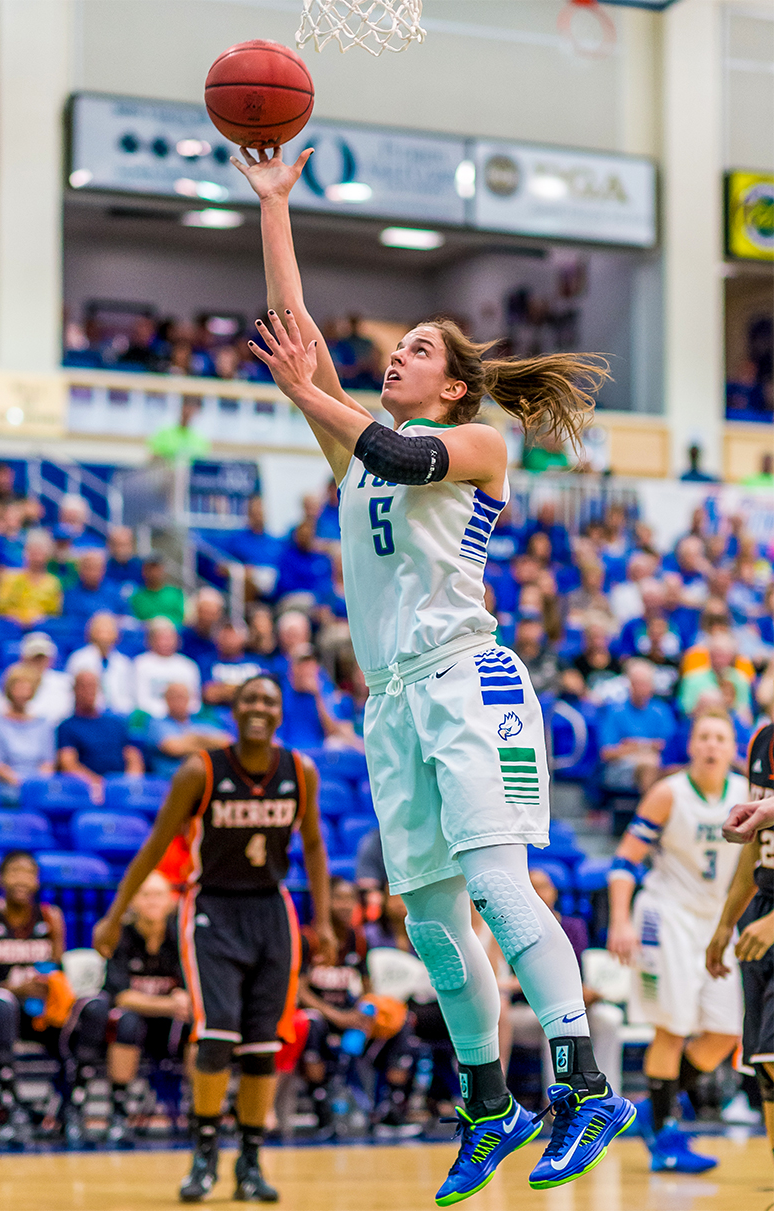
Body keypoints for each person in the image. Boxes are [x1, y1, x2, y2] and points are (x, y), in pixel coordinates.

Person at [232, 144, 635, 1200]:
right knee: (428, 916)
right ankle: (485, 1100)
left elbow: (394, 452)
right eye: (393, 347)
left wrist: (312, 393)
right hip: (392, 700)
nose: (394, 356)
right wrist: (275, 206)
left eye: (415, 347)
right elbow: (301, 340)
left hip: (470, 681)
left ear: (451, 383)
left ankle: (584, 1083)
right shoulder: (355, 447)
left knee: (498, 883)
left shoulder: (475, 443)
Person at [93, 674, 334, 1203]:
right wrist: (114, 916)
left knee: (264, 1045)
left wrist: (326, 920)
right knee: (217, 1036)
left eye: (269, 701)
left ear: (278, 713)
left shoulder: (300, 771)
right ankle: (204, 1156)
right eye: (249, 698)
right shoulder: (200, 771)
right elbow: (155, 847)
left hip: (272, 909)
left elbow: (314, 845)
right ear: (234, 709)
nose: (258, 708)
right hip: (211, 910)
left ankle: (249, 1161)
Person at [607, 710, 746, 1172]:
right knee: (672, 1027)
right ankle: (666, 1138)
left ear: (733, 749)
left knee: (726, 1032)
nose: (711, 746)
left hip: (718, 923)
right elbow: (624, 863)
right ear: (691, 747)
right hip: (665, 917)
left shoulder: (748, 796)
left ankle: (652, 1108)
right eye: (703, 737)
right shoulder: (668, 793)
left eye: (719, 738)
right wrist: (620, 921)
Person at [76, 871, 191, 1146]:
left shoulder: (182, 938)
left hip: (170, 1027)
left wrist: (183, 1000)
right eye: (145, 894)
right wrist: (168, 1003)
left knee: (199, 1027)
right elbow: (122, 996)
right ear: (132, 902)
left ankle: (201, 1116)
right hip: (130, 1027)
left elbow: (191, 991)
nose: (152, 901)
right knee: (127, 1020)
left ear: (172, 901)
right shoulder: (121, 936)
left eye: (159, 895)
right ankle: (118, 1112)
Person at [300, 877, 417, 1137]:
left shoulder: (357, 939)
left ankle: (390, 1108)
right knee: (312, 1025)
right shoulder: (309, 939)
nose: (345, 905)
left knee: (401, 1022)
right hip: (319, 1014)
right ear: (323, 901)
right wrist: (336, 1016)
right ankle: (323, 1113)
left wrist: (367, 1010)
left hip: (349, 1015)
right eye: (338, 898)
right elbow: (298, 990)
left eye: (349, 899)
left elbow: (367, 988)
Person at [707, 722, 774, 1158]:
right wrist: (725, 922)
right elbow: (756, 843)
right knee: (765, 1071)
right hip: (761, 906)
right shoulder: (763, 740)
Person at [0, 851, 66, 1139]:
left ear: (37, 881)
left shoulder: (51, 918)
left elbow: (59, 969)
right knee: (2, 1004)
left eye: (28, 873)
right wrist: (14, 989)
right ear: (0, 879)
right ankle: (8, 1101)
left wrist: (51, 985)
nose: (21, 879)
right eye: (14, 872)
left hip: (39, 1011)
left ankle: (67, 1104)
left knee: (78, 1013)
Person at [507, 868, 623, 1095]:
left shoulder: (573, 926)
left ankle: (607, 1097)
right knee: (558, 1022)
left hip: (571, 1002)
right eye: (531, 887)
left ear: (554, 893)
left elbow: (576, 972)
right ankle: (560, 1104)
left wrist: (588, 993)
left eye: (543, 886)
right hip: (524, 1010)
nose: (538, 892)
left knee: (609, 1020)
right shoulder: (509, 930)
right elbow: (507, 979)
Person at [57, 671, 144, 801]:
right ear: (74, 690)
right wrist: (98, 784)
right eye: (83, 686)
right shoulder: (67, 726)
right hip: (88, 791)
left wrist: (129, 783)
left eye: (93, 686)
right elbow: (68, 763)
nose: (88, 691)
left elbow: (132, 755)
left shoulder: (116, 723)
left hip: (121, 787)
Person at [599, 659, 676, 794]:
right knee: (648, 767)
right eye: (636, 684)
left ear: (652, 686)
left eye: (644, 684)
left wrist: (634, 745)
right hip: (621, 768)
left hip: (658, 764)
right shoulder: (615, 712)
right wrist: (646, 747)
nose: (640, 689)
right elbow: (607, 753)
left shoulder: (661, 711)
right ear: (629, 685)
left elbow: (668, 747)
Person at [0, 665, 55, 800]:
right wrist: (22, 784)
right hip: (7, 786)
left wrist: (36, 785)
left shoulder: (44, 724)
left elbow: (47, 763)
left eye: (26, 687)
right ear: (9, 689)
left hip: (38, 786)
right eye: (18, 687)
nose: (22, 692)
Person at [147, 683, 233, 780]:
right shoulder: (156, 724)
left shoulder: (203, 722)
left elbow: (228, 743)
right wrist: (209, 744)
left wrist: (193, 740)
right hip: (170, 782)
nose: (178, 700)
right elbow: (174, 748)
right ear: (166, 699)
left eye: (182, 696)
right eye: (173, 696)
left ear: (189, 698)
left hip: (208, 779)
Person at [65, 612, 136, 716]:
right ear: (91, 632)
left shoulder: (123, 662)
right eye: (100, 630)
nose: (104, 635)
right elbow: (70, 690)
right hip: (89, 713)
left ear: (117, 634)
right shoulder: (78, 658)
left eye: (109, 630)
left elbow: (129, 694)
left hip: (120, 714)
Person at [133, 618, 201, 721]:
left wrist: (179, 713)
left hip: (184, 719)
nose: (165, 642)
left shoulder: (188, 666)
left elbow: (195, 703)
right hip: (152, 719)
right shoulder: (140, 664)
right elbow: (141, 701)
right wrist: (168, 713)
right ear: (151, 640)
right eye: (161, 638)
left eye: (169, 638)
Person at [0, 528, 62, 628]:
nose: (37, 557)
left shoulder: (53, 582)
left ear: (47, 555)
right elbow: (1, 608)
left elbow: (55, 612)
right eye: (33, 551)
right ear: (26, 552)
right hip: (11, 627)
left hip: (42, 629)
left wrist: (38, 620)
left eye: (40, 552)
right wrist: (22, 619)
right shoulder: (10, 578)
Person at [19, 632, 74, 726]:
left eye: (42, 658)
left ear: (50, 659)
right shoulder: (14, 683)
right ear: (24, 658)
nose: (38, 662)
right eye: (34, 657)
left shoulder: (65, 683)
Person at [63, 549, 125, 622]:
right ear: (80, 569)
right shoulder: (70, 595)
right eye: (88, 567)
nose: (93, 573)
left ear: (104, 570)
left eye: (96, 568)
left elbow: (125, 620)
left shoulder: (115, 592)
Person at [148, 397, 210, 464]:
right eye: (185, 410)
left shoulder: (200, 439)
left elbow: (202, 463)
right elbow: (152, 457)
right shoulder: (163, 433)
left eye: (191, 411)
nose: (188, 413)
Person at [131, 555, 186, 626]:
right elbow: (135, 622)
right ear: (144, 572)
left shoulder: (176, 594)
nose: (154, 573)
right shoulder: (137, 597)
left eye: (157, 568)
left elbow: (182, 620)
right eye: (150, 569)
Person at [105, 526, 145, 599]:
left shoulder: (141, 567)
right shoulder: (103, 569)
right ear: (109, 546)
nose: (121, 549)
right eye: (117, 545)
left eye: (125, 545)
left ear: (131, 545)